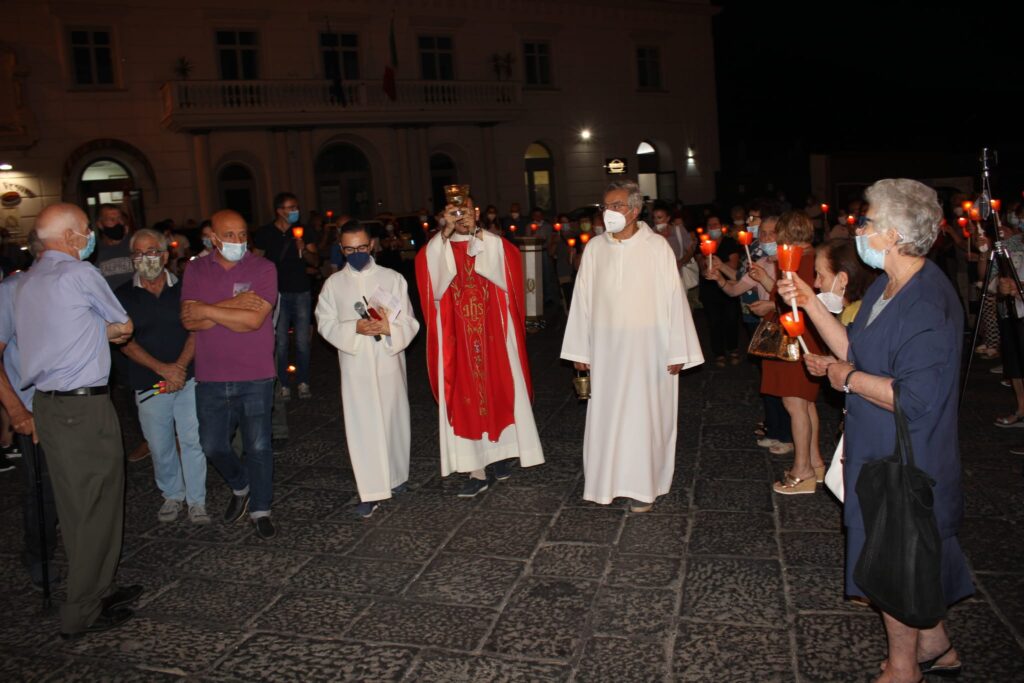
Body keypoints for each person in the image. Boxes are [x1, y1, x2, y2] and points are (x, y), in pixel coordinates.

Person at [780, 179, 971, 682]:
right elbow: (855, 348)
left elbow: (916, 397)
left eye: (866, 222)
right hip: (877, 444)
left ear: (889, 233)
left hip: (902, 454)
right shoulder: (892, 287)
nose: (858, 229)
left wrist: (850, 380)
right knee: (907, 552)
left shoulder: (925, 302)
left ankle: (903, 667)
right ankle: (936, 645)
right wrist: (810, 300)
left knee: (893, 557)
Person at [15, 203, 140, 639]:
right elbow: (123, 324)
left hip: (47, 406)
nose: (90, 237)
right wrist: (105, 331)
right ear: (69, 237)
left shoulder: (26, 282)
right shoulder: (78, 274)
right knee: (96, 506)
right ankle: (83, 609)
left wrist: (92, 332)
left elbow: (59, 332)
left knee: (76, 506)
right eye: (86, 230)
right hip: (82, 408)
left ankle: (99, 588)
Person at [561, 180, 703, 512]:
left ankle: (643, 487)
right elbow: (581, 301)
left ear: (635, 210)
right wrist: (580, 352)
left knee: (644, 417)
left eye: (615, 206)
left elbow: (674, 300)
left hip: (648, 350)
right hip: (606, 350)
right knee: (608, 416)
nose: (607, 213)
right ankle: (606, 482)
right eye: (605, 207)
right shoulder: (595, 248)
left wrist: (678, 350)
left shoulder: (656, 248)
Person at [415, 191, 544, 497]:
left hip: (493, 337)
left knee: (500, 390)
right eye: (453, 213)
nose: (461, 218)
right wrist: (444, 234)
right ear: (444, 217)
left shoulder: (489, 243)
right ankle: (476, 468)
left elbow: (510, 263)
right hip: (457, 339)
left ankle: (499, 457)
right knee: (465, 398)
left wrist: (477, 232)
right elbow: (427, 273)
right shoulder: (438, 248)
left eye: (466, 212)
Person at [181, 209, 279, 539]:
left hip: (256, 373)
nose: (238, 241)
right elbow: (189, 321)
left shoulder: (264, 268)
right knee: (212, 446)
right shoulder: (195, 269)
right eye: (230, 236)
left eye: (242, 234)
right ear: (213, 238)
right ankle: (241, 485)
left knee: (259, 446)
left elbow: (254, 321)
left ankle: (261, 508)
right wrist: (235, 304)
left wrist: (208, 309)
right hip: (210, 375)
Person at [316, 220, 421, 518]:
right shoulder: (333, 284)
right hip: (357, 364)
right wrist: (355, 328)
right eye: (349, 249)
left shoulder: (392, 278)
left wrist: (389, 327)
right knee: (363, 424)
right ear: (341, 249)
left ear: (372, 244)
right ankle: (371, 489)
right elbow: (324, 322)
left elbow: (410, 321)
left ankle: (397, 476)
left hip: (388, 359)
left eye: (361, 247)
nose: (357, 253)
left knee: (393, 418)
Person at [115, 229, 208, 524]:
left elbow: (196, 329)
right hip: (149, 382)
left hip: (188, 377)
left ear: (166, 255)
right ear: (132, 259)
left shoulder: (185, 289)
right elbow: (124, 342)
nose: (147, 259)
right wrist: (163, 369)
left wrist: (179, 367)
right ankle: (172, 494)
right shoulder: (121, 296)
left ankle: (197, 500)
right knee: (159, 443)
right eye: (140, 254)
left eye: (153, 251)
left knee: (193, 439)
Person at [747, 211, 825, 486]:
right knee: (806, 403)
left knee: (794, 404)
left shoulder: (798, 259)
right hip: (804, 335)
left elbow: (792, 302)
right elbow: (784, 295)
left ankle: (801, 469)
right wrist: (766, 282)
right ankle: (815, 463)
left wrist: (771, 304)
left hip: (794, 337)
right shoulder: (809, 256)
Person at [0, 230, 59, 591]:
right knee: (43, 488)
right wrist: (16, 411)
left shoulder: (72, 286)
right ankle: (39, 553)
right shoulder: (10, 292)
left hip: (75, 405)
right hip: (34, 407)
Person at [709, 214, 792, 453]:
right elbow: (736, 289)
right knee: (769, 381)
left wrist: (769, 297)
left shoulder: (789, 261)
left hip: (786, 326)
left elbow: (789, 298)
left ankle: (787, 435)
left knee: (786, 385)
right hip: (767, 327)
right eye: (762, 233)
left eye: (771, 233)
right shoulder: (764, 262)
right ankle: (775, 430)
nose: (765, 237)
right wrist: (719, 279)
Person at [253, 192, 318, 400]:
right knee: (279, 342)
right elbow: (255, 261)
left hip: (301, 291)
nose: (295, 211)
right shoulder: (265, 233)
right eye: (291, 208)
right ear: (279, 211)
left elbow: (315, 261)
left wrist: (304, 250)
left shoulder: (304, 231)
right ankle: (282, 384)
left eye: (296, 207)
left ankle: (303, 381)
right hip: (276, 293)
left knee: (302, 341)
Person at [697, 215, 742, 366]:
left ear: (721, 226)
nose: (713, 227)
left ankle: (733, 348)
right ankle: (719, 353)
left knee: (731, 319)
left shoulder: (730, 243)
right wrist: (707, 269)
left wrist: (717, 266)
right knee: (714, 322)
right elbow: (702, 265)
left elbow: (733, 265)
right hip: (710, 290)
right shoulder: (703, 244)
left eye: (716, 224)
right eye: (710, 225)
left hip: (728, 288)